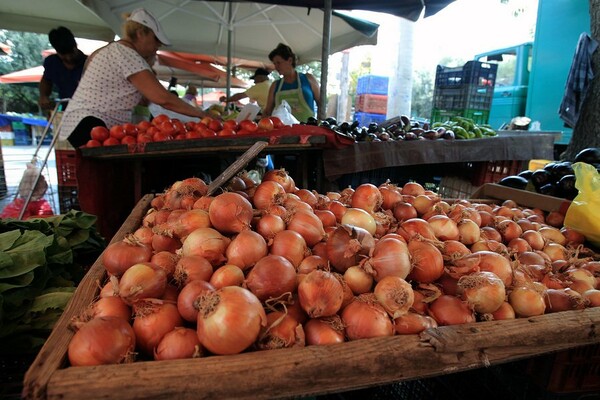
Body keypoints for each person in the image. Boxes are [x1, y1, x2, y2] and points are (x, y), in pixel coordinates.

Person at [59, 8, 210, 148]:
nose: (158, 45)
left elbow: (145, 98)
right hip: (90, 123)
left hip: (84, 122)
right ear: (140, 33)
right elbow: (163, 98)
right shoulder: (126, 54)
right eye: (155, 39)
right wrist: (201, 114)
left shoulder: (115, 50)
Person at [263, 43, 320, 123]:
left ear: (290, 60)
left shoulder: (308, 79)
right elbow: (267, 112)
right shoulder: (275, 85)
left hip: (307, 130)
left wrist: (321, 123)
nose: (276, 67)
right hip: (283, 132)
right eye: (274, 64)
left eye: (278, 63)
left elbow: (321, 104)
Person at [38, 26, 87, 111]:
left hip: (87, 110)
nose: (69, 58)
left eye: (71, 53)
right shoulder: (51, 62)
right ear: (56, 51)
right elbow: (46, 80)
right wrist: (44, 96)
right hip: (66, 110)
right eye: (63, 55)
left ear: (75, 45)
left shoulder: (90, 63)